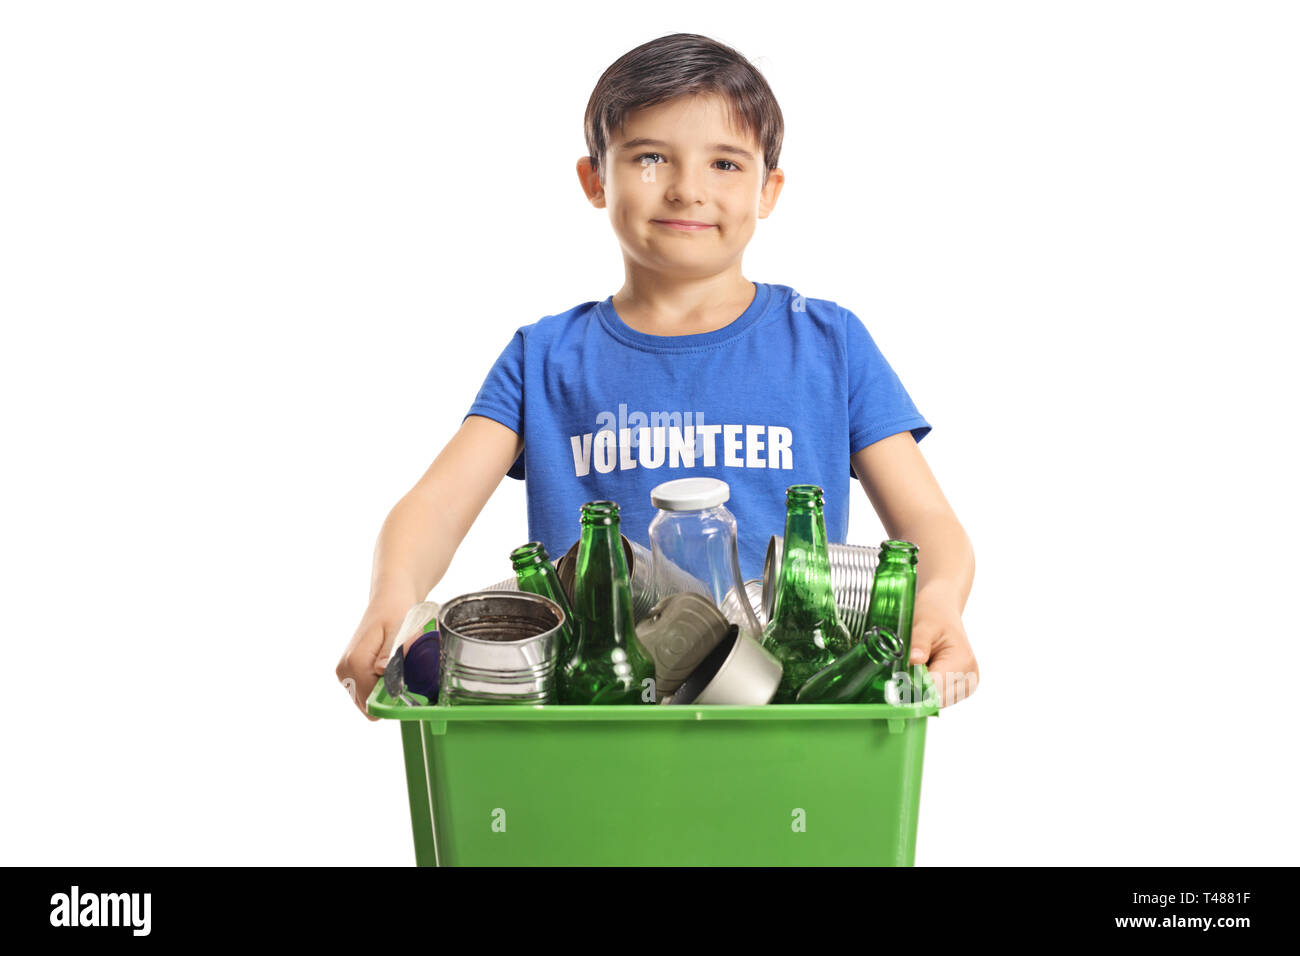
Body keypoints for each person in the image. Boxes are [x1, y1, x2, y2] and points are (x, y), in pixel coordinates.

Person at [336, 32, 978, 717]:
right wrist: (392, 594)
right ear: (595, 180)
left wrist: (939, 601)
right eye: (649, 158)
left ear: (769, 190)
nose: (687, 189)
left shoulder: (828, 344)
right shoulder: (545, 356)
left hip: (786, 715)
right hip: (596, 723)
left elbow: (929, 520)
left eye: (726, 164)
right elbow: (435, 506)